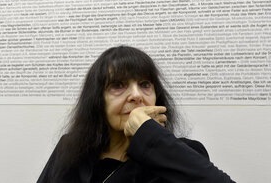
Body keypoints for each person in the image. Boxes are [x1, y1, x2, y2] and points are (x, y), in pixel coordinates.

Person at [37, 45, 235, 182]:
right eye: (118, 85)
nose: (136, 95)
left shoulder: (180, 152)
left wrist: (149, 134)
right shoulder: (70, 149)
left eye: (145, 85)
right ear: (98, 100)